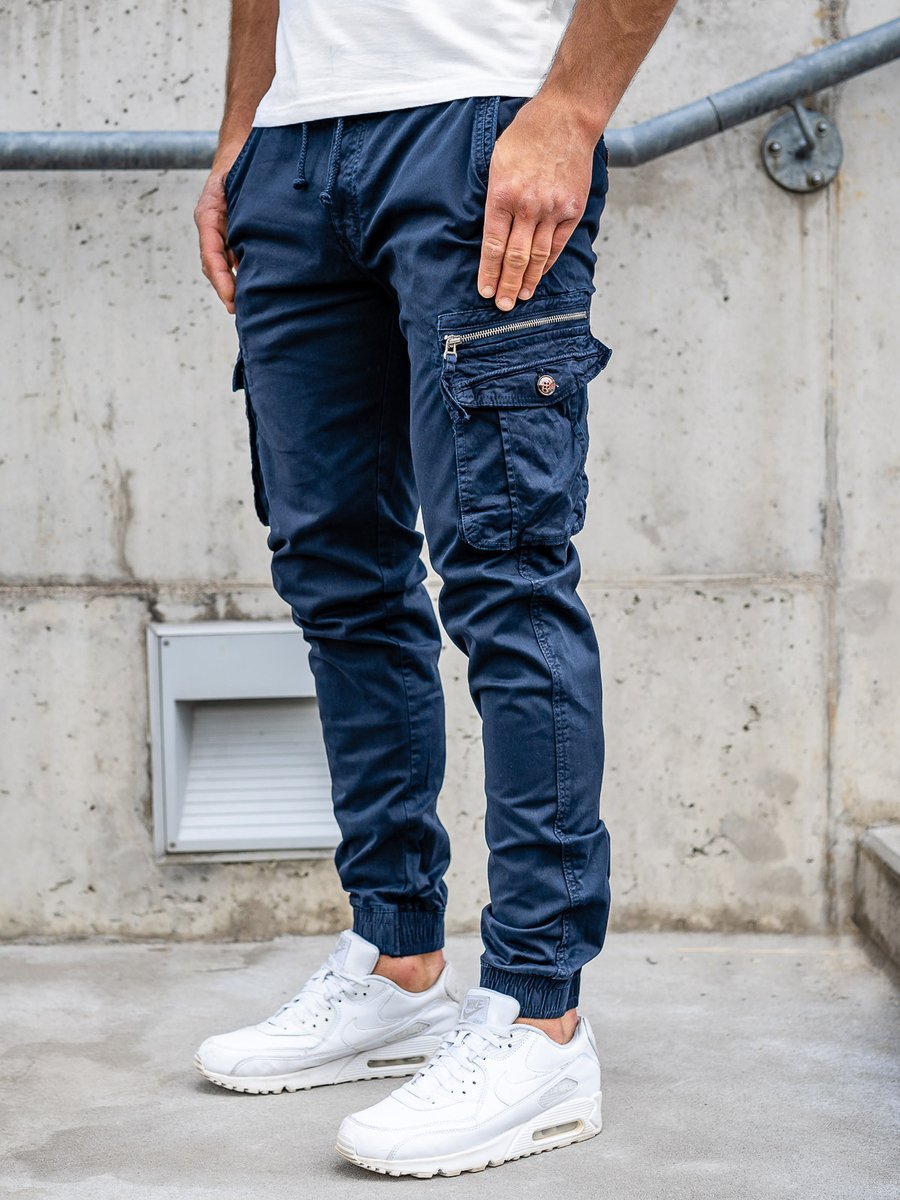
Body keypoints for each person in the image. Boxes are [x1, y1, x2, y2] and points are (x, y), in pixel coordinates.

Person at [193, 0, 676, 1177]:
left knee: (507, 581)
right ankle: (399, 960)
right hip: (294, 150)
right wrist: (243, 129)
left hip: (474, 127)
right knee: (338, 578)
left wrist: (572, 108)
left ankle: (539, 1017)